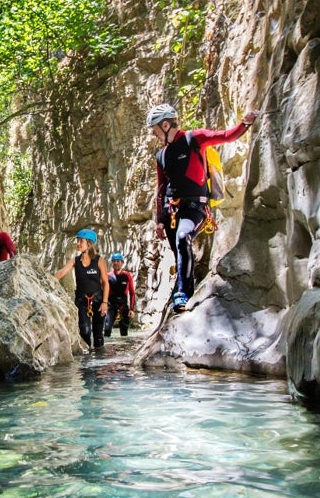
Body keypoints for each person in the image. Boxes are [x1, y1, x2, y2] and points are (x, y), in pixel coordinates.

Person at [146, 103, 258, 313]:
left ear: (166, 124)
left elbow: (225, 136)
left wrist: (245, 123)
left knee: (182, 237)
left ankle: (183, 294)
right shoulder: (161, 156)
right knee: (178, 249)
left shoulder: (193, 138)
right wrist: (160, 220)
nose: (153, 135)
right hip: (171, 209)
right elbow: (160, 189)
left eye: (155, 130)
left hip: (195, 207)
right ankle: (180, 288)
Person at [53, 228, 109, 350]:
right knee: (85, 331)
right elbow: (62, 272)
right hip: (82, 301)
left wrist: (105, 302)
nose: (78, 244)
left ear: (89, 243)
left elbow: (105, 282)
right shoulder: (75, 261)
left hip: (98, 301)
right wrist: (48, 280)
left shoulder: (99, 260)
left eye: (80, 241)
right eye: (77, 241)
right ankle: (87, 364)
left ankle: (99, 364)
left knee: (98, 335)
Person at [104, 252, 136, 337]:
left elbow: (132, 293)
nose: (115, 263)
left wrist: (132, 309)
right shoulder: (108, 276)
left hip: (123, 307)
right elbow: (103, 291)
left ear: (122, 263)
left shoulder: (127, 276)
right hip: (111, 307)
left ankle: (124, 350)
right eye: (114, 261)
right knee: (107, 330)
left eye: (118, 261)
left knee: (124, 333)